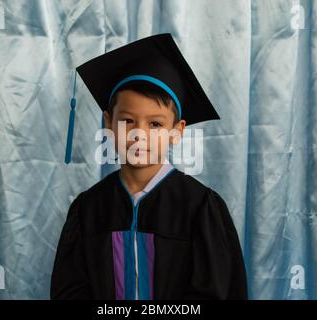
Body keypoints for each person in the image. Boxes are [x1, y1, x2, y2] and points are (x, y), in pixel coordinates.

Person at [51, 33, 247, 300]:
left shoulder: (200, 208)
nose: (139, 135)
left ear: (176, 131)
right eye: (128, 121)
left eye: (155, 124)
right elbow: (70, 292)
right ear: (108, 123)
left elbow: (217, 294)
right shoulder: (89, 209)